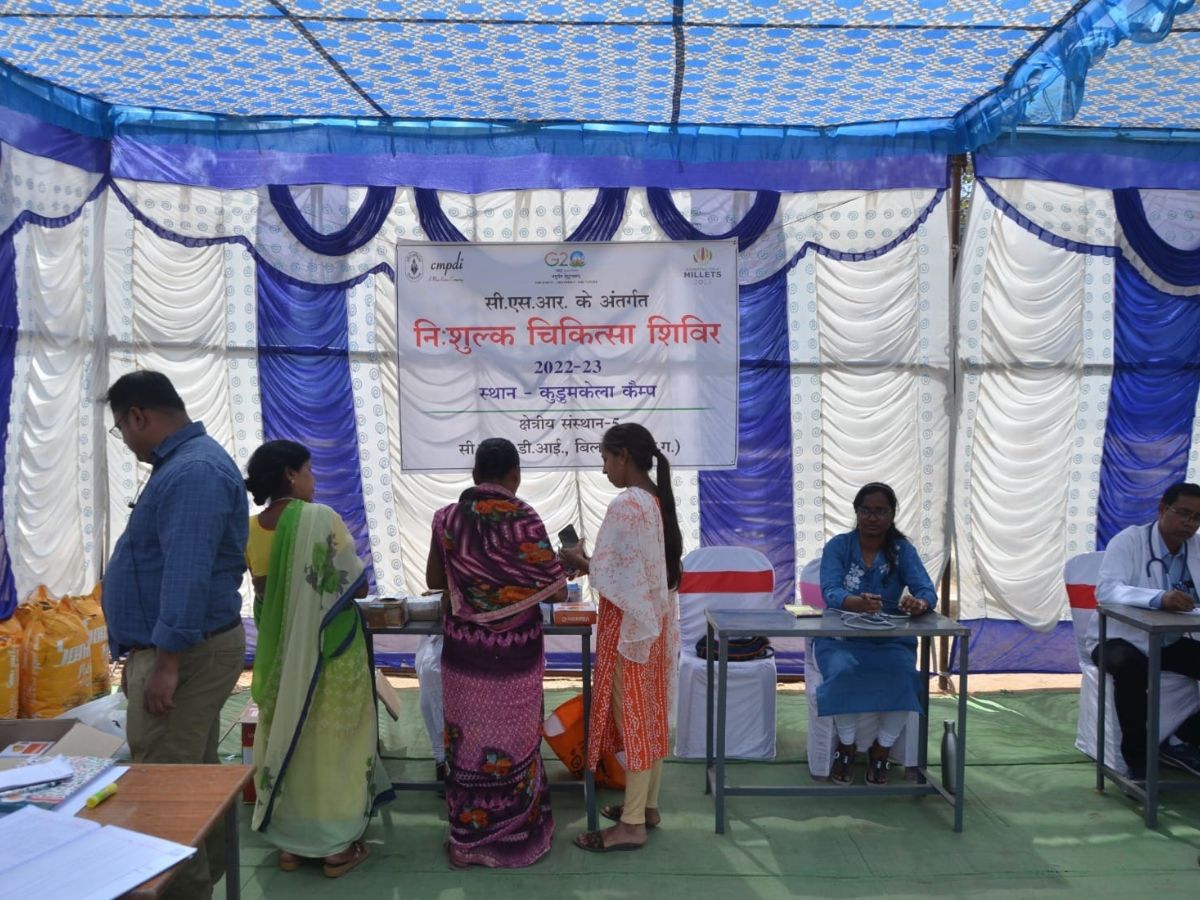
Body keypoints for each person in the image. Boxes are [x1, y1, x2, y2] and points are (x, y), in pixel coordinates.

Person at [102, 370, 247, 900]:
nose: (127, 439)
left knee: (164, 788)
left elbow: (186, 572)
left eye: (122, 428)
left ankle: (184, 891)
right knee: (190, 776)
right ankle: (200, 881)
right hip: (187, 649)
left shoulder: (193, 472)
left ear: (138, 415)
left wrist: (166, 663)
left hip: (184, 653)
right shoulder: (186, 467)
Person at [244, 439, 392, 878]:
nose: (315, 480)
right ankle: (335, 847)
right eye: (309, 471)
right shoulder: (319, 518)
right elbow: (357, 586)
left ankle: (291, 844)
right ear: (291, 474)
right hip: (330, 653)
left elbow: (264, 592)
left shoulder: (250, 527)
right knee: (335, 747)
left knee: (289, 734)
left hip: (279, 657)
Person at [426, 437, 567, 868]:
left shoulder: (447, 518)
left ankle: (468, 841)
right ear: (515, 476)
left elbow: (435, 578)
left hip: (466, 653)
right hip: (516, 653)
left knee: (467, 746)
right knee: (516, 740)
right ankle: (516, 833)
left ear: (474, 474)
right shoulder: (524, 517)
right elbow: (556, 588)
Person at [559, 423, 682, 852]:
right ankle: (645, 807)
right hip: (655, 622)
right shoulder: (655, 498)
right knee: (648, 715)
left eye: (606, 458)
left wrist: (579, 559)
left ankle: (631, 824)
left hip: (631, 627)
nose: (604, 467)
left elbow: (613, 573)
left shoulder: (628, 502)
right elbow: (637, 570)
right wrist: (594, 563)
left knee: (633, 718)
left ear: (623, 456)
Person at [813, 482, 937, 787]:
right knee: (842, 671)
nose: (872, 517)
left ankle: (882, 748)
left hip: (890, 638)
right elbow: (830, 591)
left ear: (892, 513)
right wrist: (854, 603)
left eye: (881, 511)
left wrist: (918, 604)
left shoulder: (902, 550)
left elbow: (926, 591)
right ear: (856, 512)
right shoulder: (838, 546)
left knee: (904, 674)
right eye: (866, 510)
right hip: (841, 637)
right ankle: (846, 746)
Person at [1091, 482, 1200, 780]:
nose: (1189, 524)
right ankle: (1137, 762)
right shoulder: (1129, 541)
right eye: (1183, 514)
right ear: (1163, 509)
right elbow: (1107, 590)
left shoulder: (1197, 548)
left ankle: (1182, 737)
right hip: (1118, 637)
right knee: (1132, 669)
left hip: (1170, 639)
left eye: (1197, 518)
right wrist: (1158, 598)